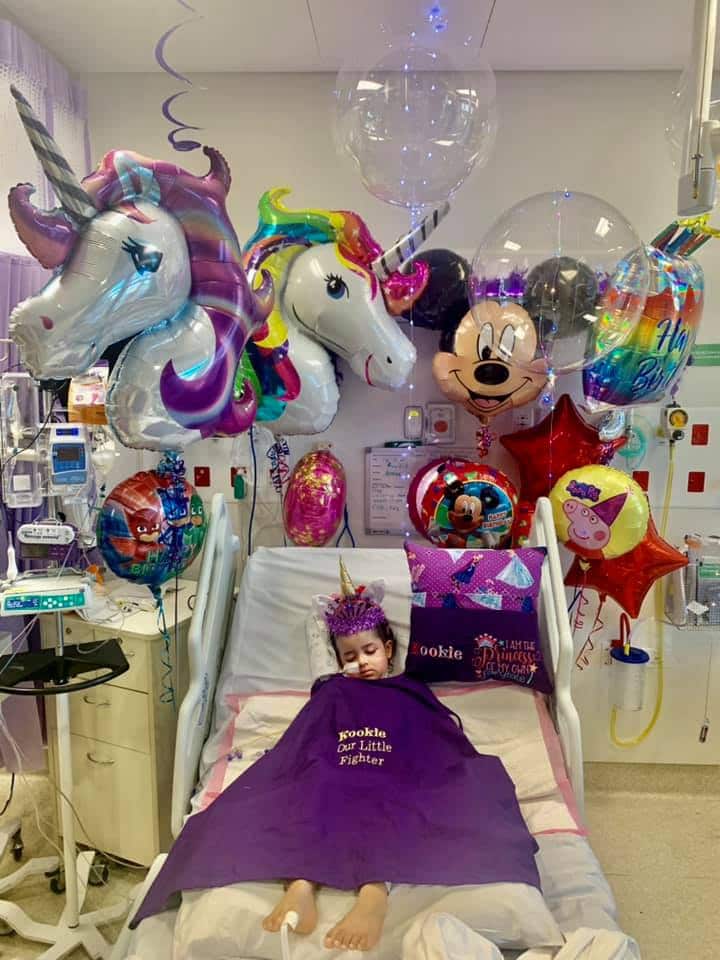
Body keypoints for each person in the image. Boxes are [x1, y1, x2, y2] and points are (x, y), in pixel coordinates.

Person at [263, 560, 396, 951]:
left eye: (370, 651)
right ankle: (302, 884)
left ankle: (374, 892)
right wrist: (332, 611)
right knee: (310, 795)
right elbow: (314, 728)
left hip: (384, 762)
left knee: (387, 805)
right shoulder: (331, 685)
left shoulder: (404, 688)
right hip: (334, 757)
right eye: (350, 657)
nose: (362, 663)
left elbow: (423, 731)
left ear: (387, 649)